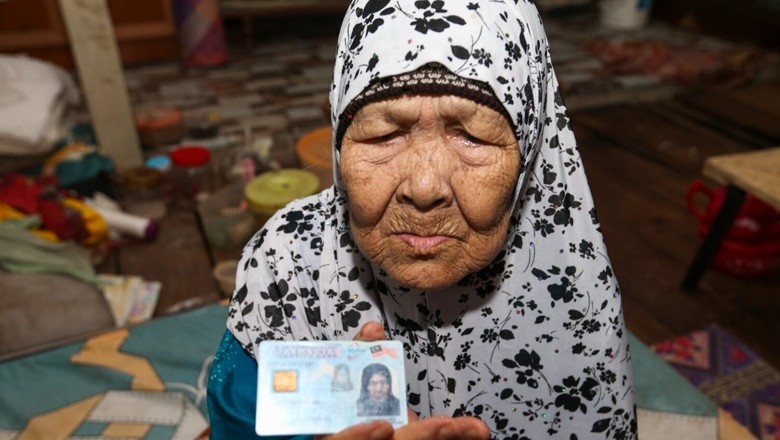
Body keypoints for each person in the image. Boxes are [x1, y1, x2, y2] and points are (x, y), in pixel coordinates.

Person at [207, 0, 637, 439]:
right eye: (384, 134)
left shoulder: (570, 283)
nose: (425, 187)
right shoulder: (287, 261)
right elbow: (237, 420)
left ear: (528, 150)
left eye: (471, 137)